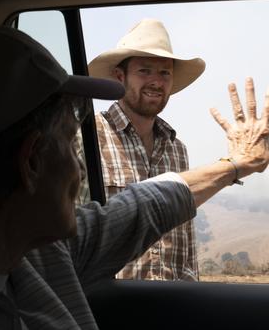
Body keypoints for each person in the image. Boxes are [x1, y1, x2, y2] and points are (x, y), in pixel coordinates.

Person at [0, 26, 269, 329]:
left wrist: (236, 165)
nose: (79, 170)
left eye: (164, 71)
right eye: (68, 143)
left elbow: (146, 204)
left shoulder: (34, 250)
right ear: (32, 161)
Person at [86, 18, 205, 281]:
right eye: (144, 71)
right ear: (120, 77)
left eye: (164, 73)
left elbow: (186, 237)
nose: (156, 81)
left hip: (172, 307)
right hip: (111, 305)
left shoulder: (177, 149)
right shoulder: (88, 138)